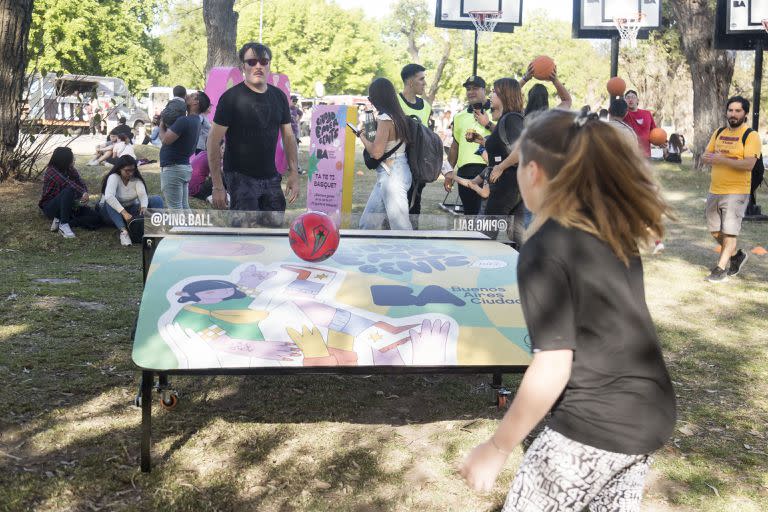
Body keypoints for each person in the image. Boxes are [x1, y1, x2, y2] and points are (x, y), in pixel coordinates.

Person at [459, 109, 677, 511]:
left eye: (519, 161)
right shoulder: (607, 224)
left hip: (597, 421)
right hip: (651, 412)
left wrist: (497, 445)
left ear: (535, 172)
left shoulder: (542, 250)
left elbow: (553, 364)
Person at [207, 42, 299, 225]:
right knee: (244, 237)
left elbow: (288, 136)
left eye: (263, 61)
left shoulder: (279, 97)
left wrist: (294, 173)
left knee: (273, 229)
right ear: (243, 66)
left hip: (271, 176)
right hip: (240, 177)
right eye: (252, 61)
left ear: (269, 64)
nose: (258, 66)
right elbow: (212, 142)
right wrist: (217, 185)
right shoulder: (231, 98)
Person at [464, 78, 526, 246]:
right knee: (517, 235)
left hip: (506, 184)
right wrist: (483, 141)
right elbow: (505, 147)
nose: (491, 95)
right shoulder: (507, 119)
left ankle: (478, 267)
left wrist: (500, 167)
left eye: (495, 92)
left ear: (504, 96)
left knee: (484, 234)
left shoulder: (512, 118)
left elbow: (521, 150)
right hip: (512, 184)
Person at [702, 95, 757, 282]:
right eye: (730, 110)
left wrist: (721, 159)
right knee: (715, 231)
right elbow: (707, 154)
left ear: (745, 113)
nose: (733, 114)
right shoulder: (718, 132)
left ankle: (720, 269)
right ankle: (735, 256)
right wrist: (706, 157)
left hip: (736, 191)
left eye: (737, 111)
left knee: (730, 231)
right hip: (715, 189)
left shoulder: (751, 135)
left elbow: (749, 164)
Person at [356, 77, 413, 230]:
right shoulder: (398, 116)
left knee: (401, 227)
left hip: (392, 175)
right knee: (367, 224)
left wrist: (360, 136)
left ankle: (412, 253)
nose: (371, 101)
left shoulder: (385, 118)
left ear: (378, 97)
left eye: (371, 98)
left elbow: (376, 152)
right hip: (394, 171)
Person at [444, 76, 493, 217]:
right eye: (468, 89)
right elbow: (455, 146)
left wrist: (488, 124)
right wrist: (448, 174)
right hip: (465, 173)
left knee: (487, 217)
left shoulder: (495, 112)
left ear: (485, 90)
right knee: (470, 216)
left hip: (488, 170)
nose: (471, 92)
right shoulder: (459, 116)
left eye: (475, 88)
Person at [98, 155, 164, 246]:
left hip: (131, 211)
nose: (130, 173)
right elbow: (109, 197)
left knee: (157, 199)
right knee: (110, 201)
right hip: (111, 213)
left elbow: (142, 195)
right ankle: (124, 232)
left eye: (132, 170)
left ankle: (155, 228)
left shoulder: (136, 179)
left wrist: (144, 206)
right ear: (119, 169)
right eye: (127, 171)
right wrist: (124, 213)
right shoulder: (114, 177)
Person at [398, 63, 433, 223]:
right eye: (421, 79)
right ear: (410, 81)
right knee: (396, 208)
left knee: (414, 207)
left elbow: (425, 135)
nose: (425, 83)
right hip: (397, 165)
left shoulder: (426, 106)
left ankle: (412, 241)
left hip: (417, 165)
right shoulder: (395, 102)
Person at [159, 89, 203, 209]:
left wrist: (161, 123)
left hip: (173, 169)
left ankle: (181, 228)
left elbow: (165, 140)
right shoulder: (196, 120)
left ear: (196, 103)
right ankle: (189, 228)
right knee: (183, 206)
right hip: (183, 167)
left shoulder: (184, 120)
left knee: (175, 209)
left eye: (192, 96)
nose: (188, 95)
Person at [38, 147, 90, 238]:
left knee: (94, 216)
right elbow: (66, 183)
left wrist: (85, 192)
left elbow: (80, 182)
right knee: (68, 190)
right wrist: (82, 193)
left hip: (67, 204)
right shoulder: (51, 171)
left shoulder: (70, 169)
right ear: (64, 159)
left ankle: (60, 219)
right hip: (50, 207)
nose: (73, 160)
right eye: (71, 158)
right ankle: (64, 224)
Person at [624, 90, 658, 157]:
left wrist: (661, 141)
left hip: (646, 154)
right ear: (625, 101)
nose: (630, 99)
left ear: (637, 100)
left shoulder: (647, 114)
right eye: (627, 98)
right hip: (629, 155)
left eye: (633, 97)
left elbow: (654, 131)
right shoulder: (623, 115)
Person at [289, 95, 304, 173]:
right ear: (290, 100)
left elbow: (301, 113)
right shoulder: (286, 108)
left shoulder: (296, 109)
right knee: (288, 150)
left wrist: (298, 120)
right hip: (287, 132)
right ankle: (290, 166)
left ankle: (297, 167)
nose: (295, 102)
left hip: (295, 132)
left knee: (295, 150)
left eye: (296, 101)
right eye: (293, 100)